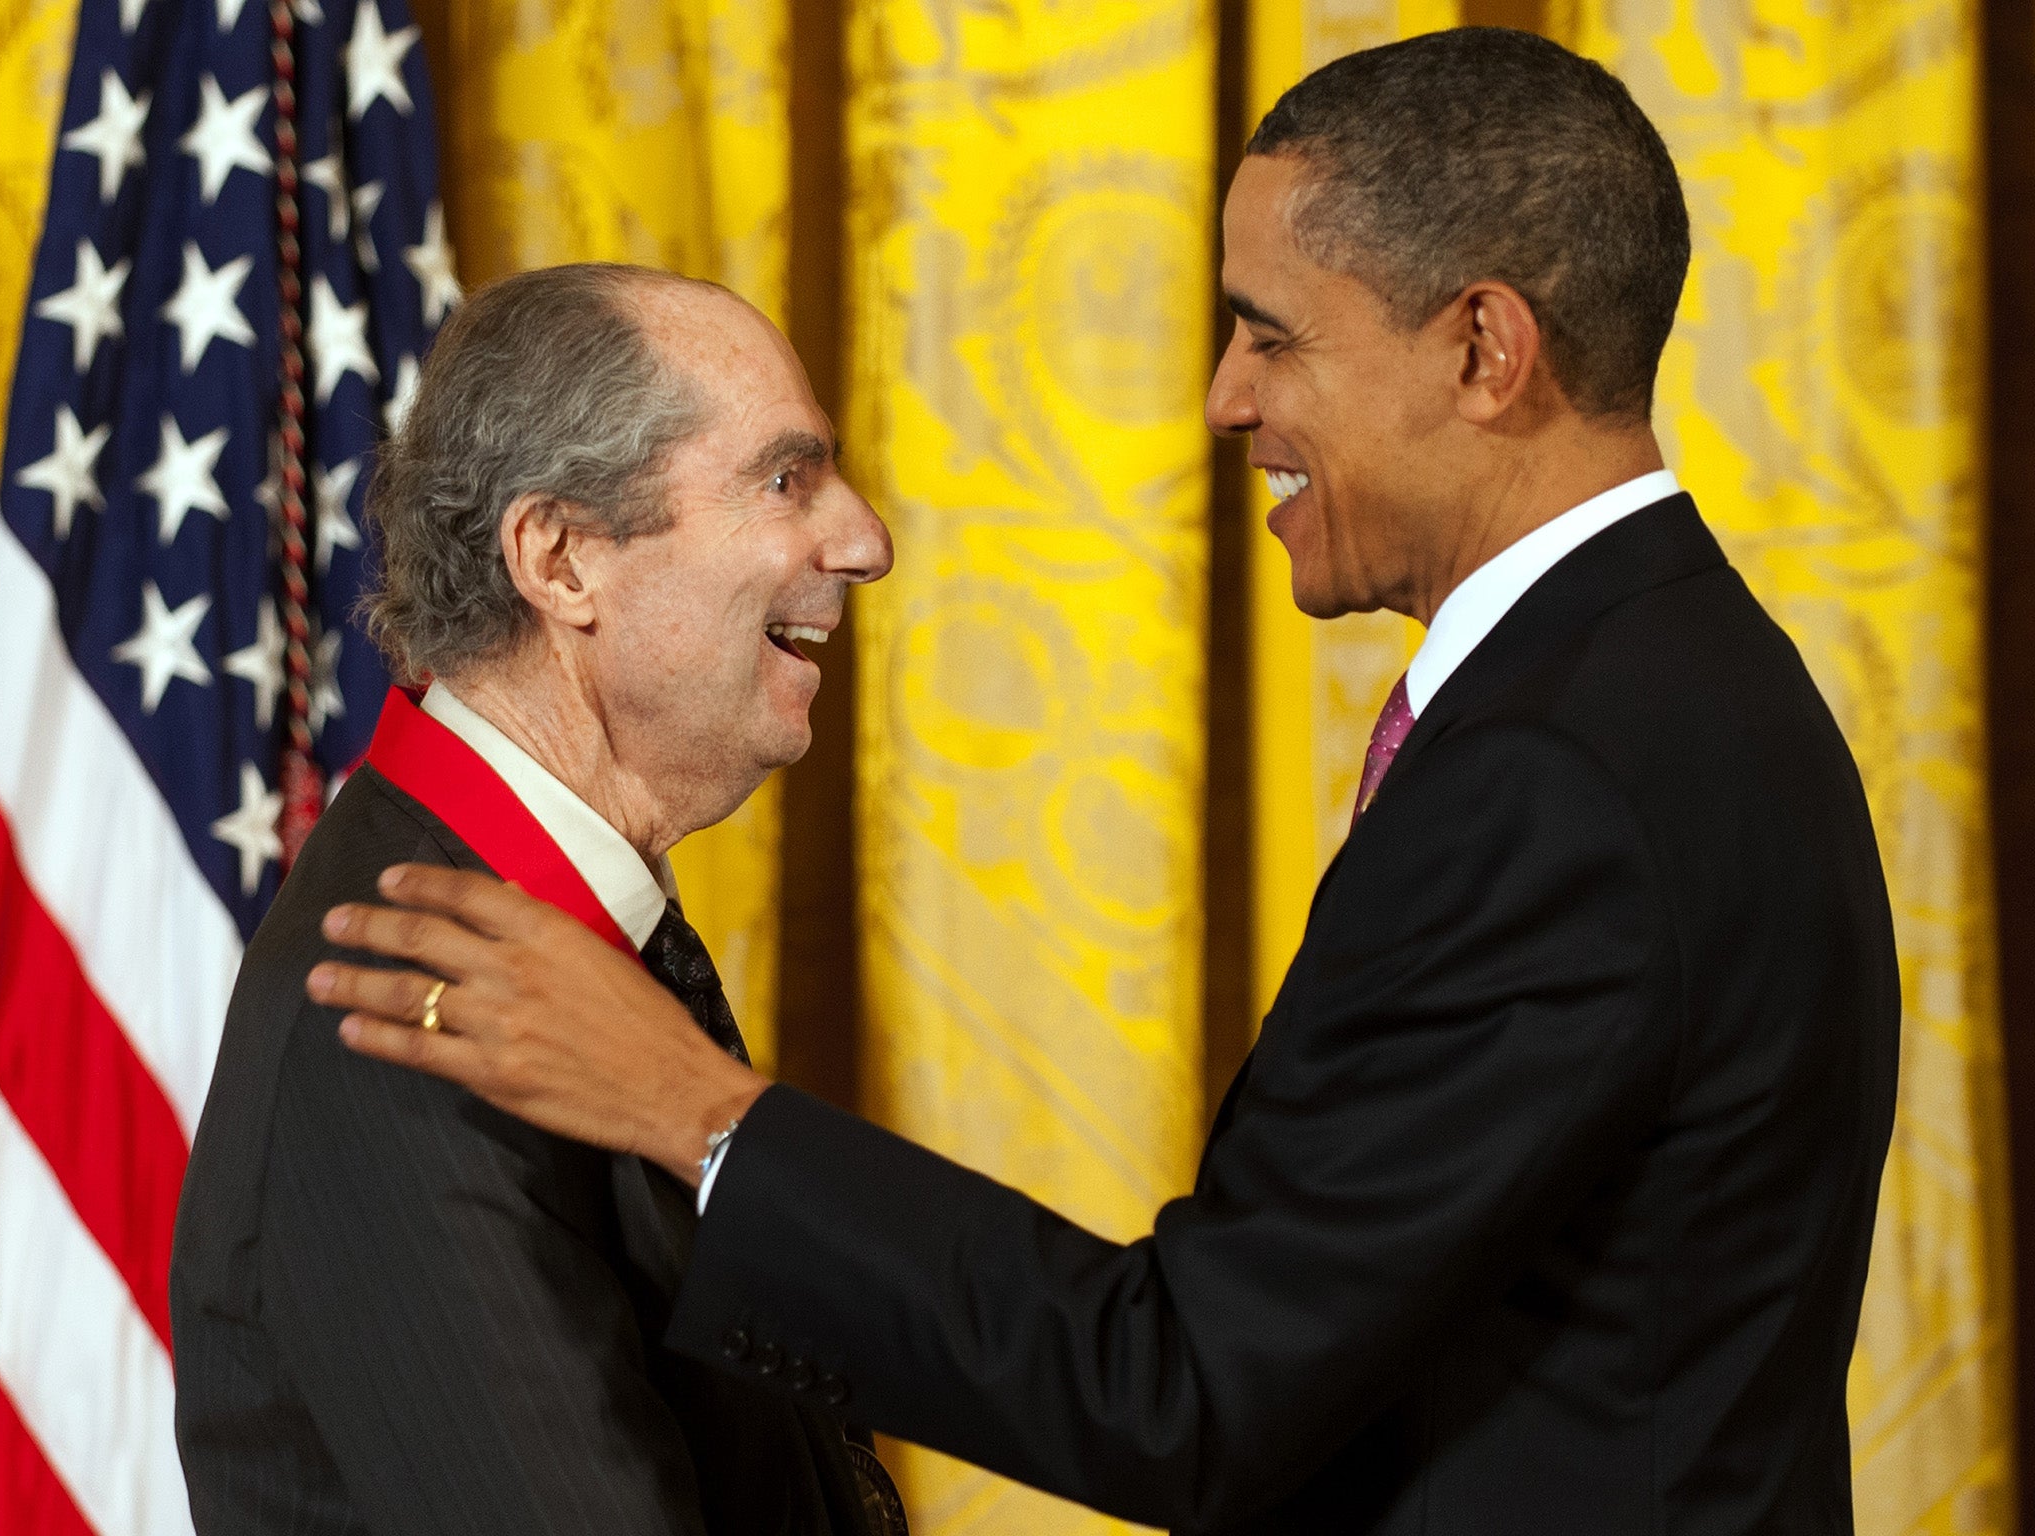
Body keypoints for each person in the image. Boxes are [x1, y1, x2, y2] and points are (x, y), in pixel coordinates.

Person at [308, 30, 1900, 1534]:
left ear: (1483, 348)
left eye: (1273, 333)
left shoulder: (1562, 775)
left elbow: (1187, 1387)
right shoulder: (1683, 686)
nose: (1224, 397)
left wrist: (702, 1115)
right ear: (556, 559)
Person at [169, 263, 907, 1535]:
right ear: (562, 561)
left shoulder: (522, 922)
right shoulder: (404, 1014)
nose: (864, 541)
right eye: (786, 480)